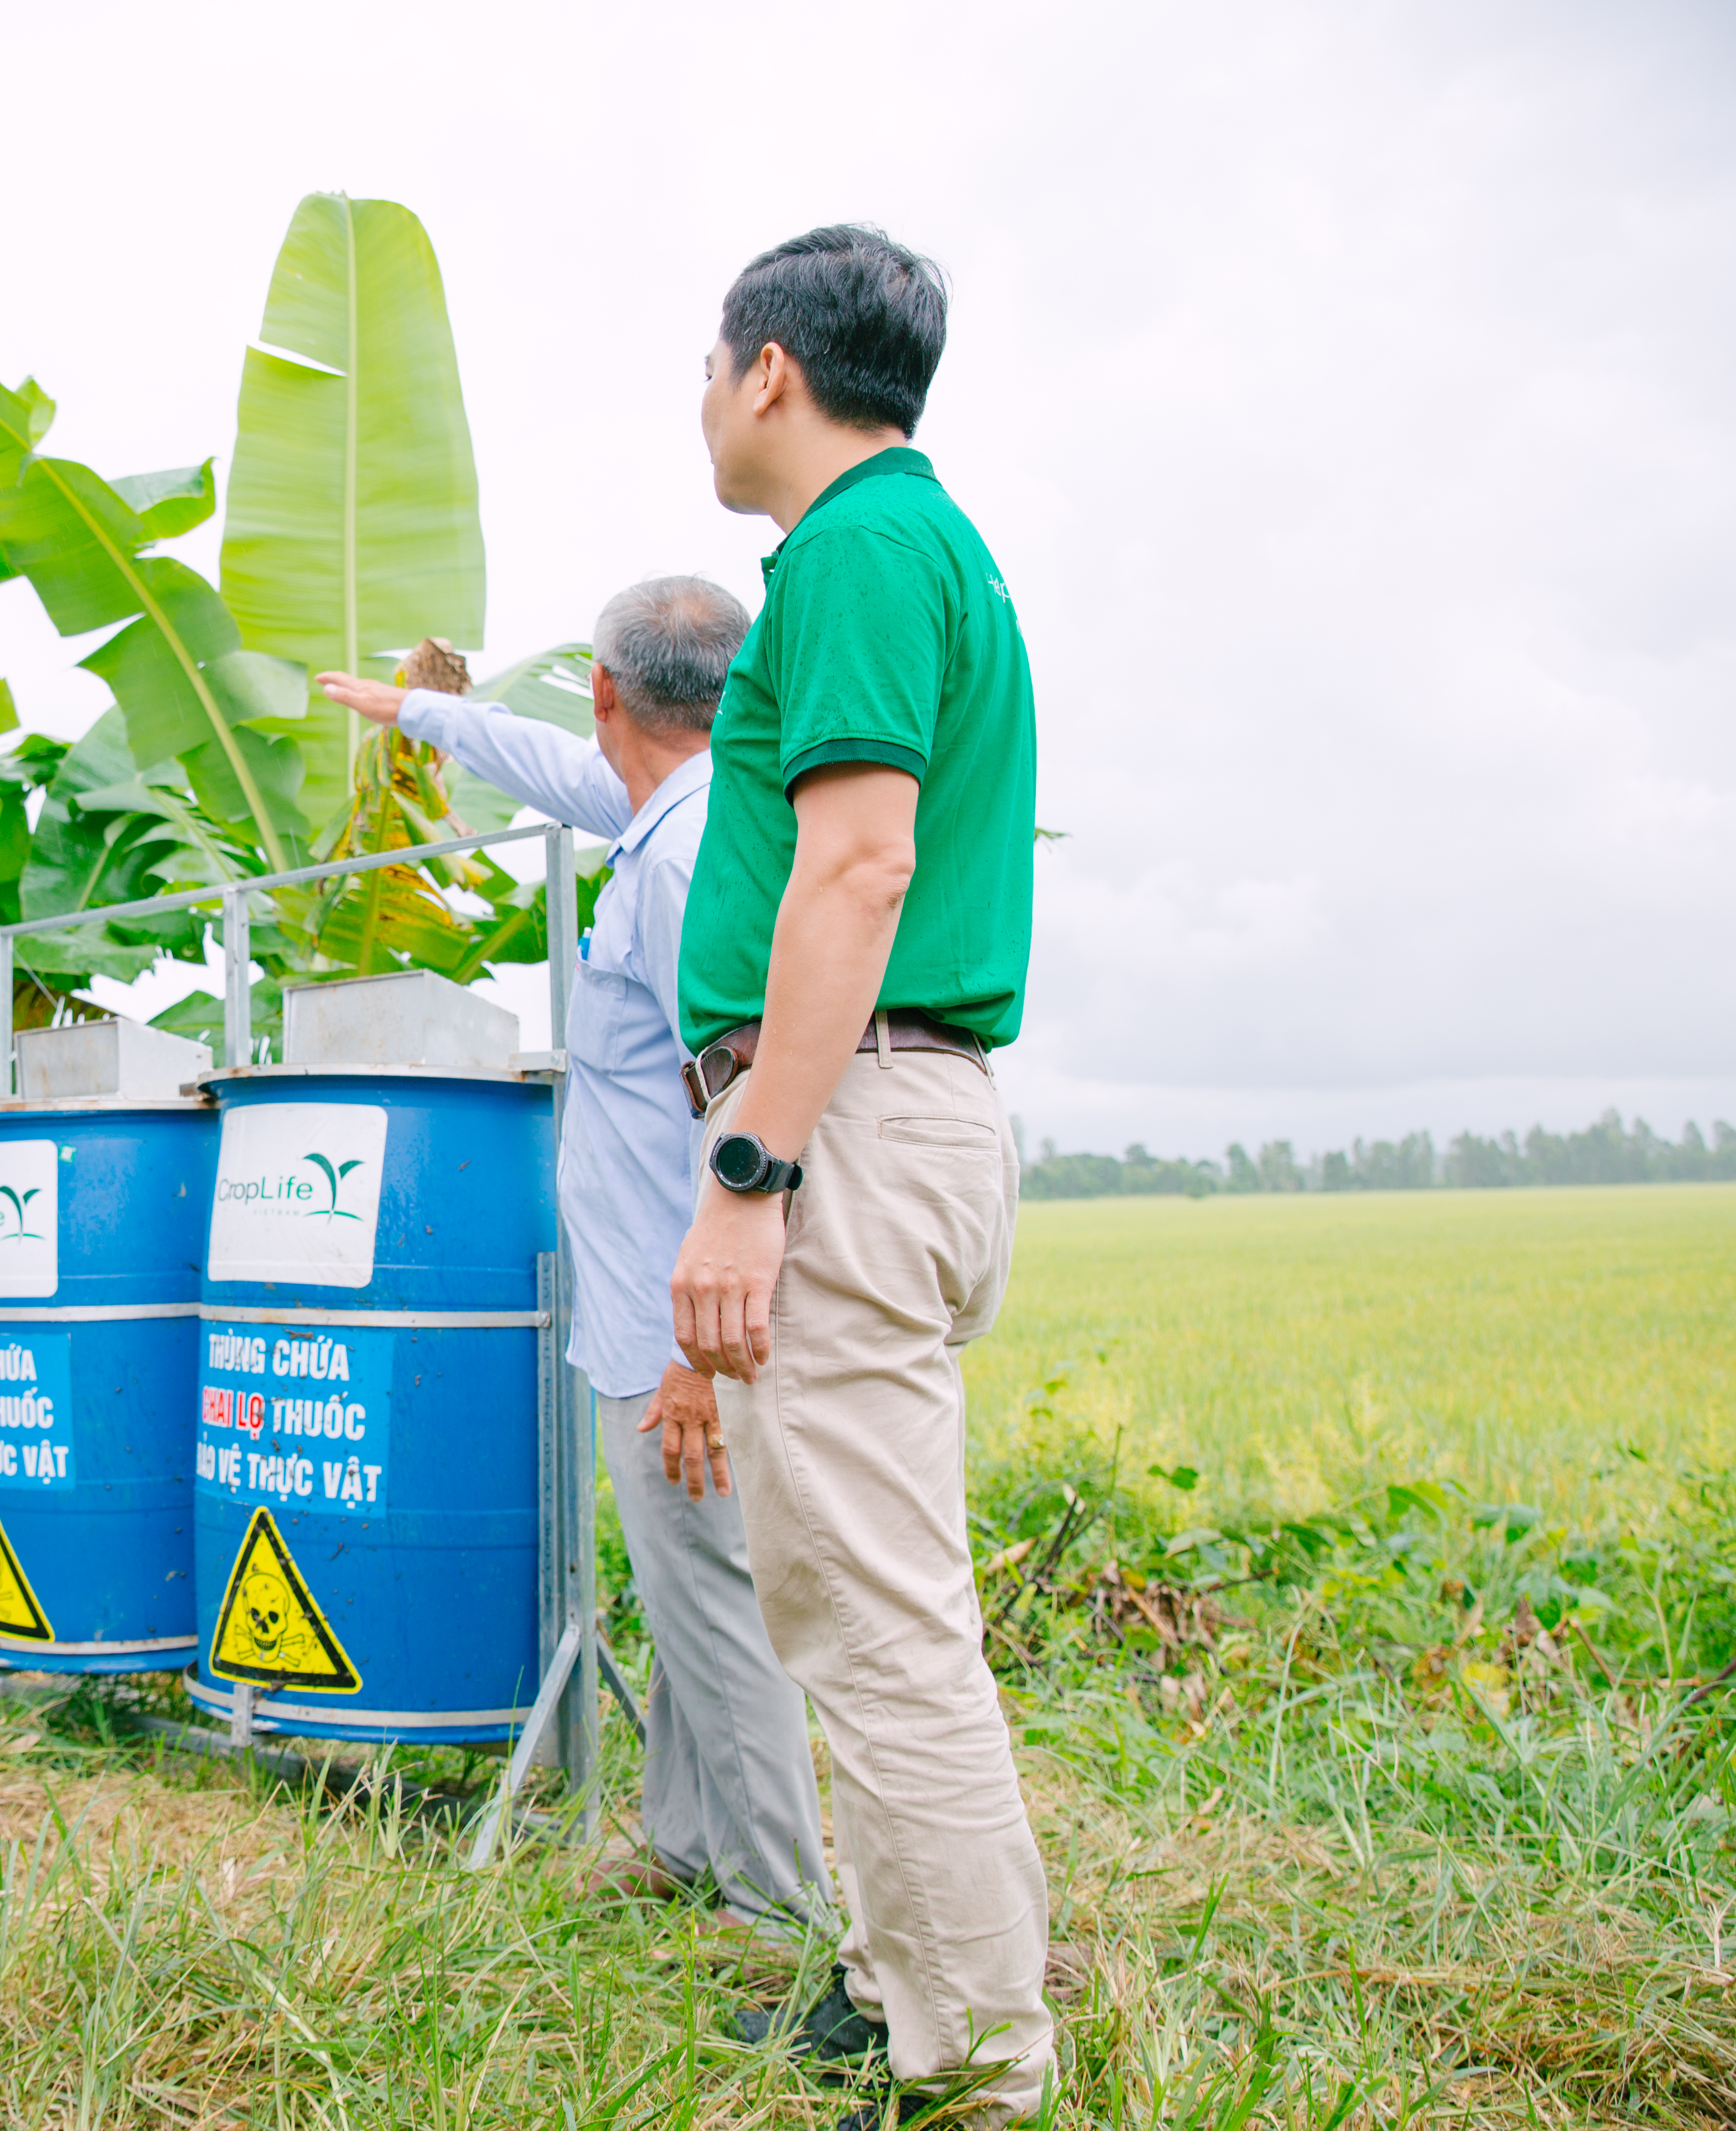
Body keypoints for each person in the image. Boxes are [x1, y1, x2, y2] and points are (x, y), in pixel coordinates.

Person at [670, 225, 1049, 2125]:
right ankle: (895, 1987)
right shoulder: (903, 545)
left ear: (768, 373)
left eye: (707, 363)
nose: (704, 397)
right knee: (862, 1596)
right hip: (892, 1114)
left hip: (848, 1118)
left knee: (882, 1624)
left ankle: (975, 2067)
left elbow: (859, 869)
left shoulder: (859, 551)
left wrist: (750, 1166)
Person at [314, 579, 827, 1933]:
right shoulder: (679, 811)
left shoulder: (676, 863)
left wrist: (691, 1363)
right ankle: (679, 1845)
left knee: (717, 1614)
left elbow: (741, 1106)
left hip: (684, 1331)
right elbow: (556, 767)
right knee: (684, 1591)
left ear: (609, 694)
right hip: (648, 1322)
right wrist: (428, 715)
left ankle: (780, 1918)